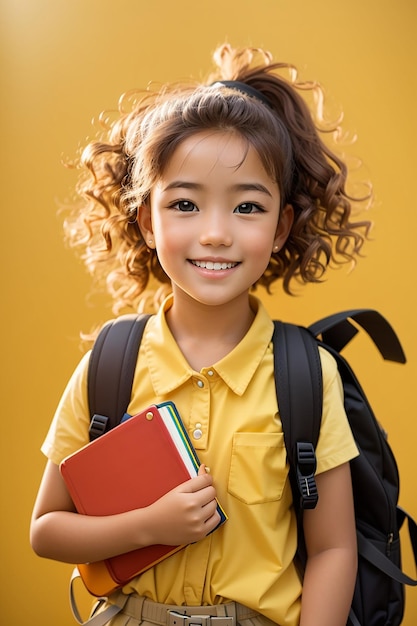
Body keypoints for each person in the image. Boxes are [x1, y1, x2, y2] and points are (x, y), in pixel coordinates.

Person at [30, 43, 372, 626]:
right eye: (185, 204)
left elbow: (335, 549)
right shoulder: (110, 364)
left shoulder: (305, 375)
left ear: (281, 225)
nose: (215, 234)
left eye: (247, 208)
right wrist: (149, 528)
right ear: (147, 219)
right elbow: (46, 531)